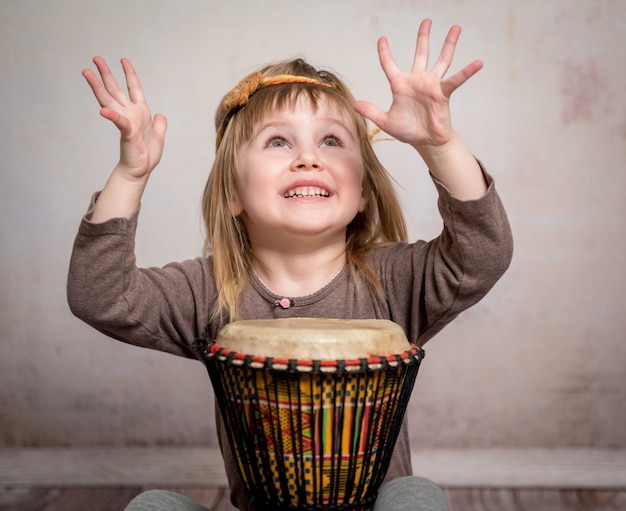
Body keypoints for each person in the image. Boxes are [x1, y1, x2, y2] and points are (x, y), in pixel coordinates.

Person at [68, 19, 513, 511]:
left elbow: (481, 254)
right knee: (153, 506)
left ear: (364, 191)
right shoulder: (209, 290)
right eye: (278, 141)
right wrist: (130, 176)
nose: (307, 158)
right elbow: (101, 296)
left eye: (331, 141)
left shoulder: (393, 281)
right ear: (233, 192)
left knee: (416, 496)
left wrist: (440, 147)